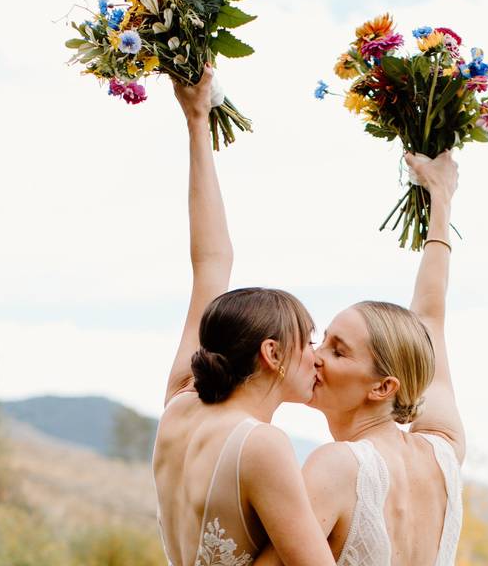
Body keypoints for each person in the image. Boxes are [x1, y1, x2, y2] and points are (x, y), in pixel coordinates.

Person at [152, 67, 337, 566]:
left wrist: (196, 120)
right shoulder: (263, 445)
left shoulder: (180, 405)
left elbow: (211, 263)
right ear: (272, 353)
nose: (317, 358)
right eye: (310, 341)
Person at [255, 150, 465, 565]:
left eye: (337, 351)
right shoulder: (445, 453)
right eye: (322, 341)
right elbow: (430, 319)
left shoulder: (337, 467)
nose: (314, 357)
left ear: (384, 386)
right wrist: (441, 199)